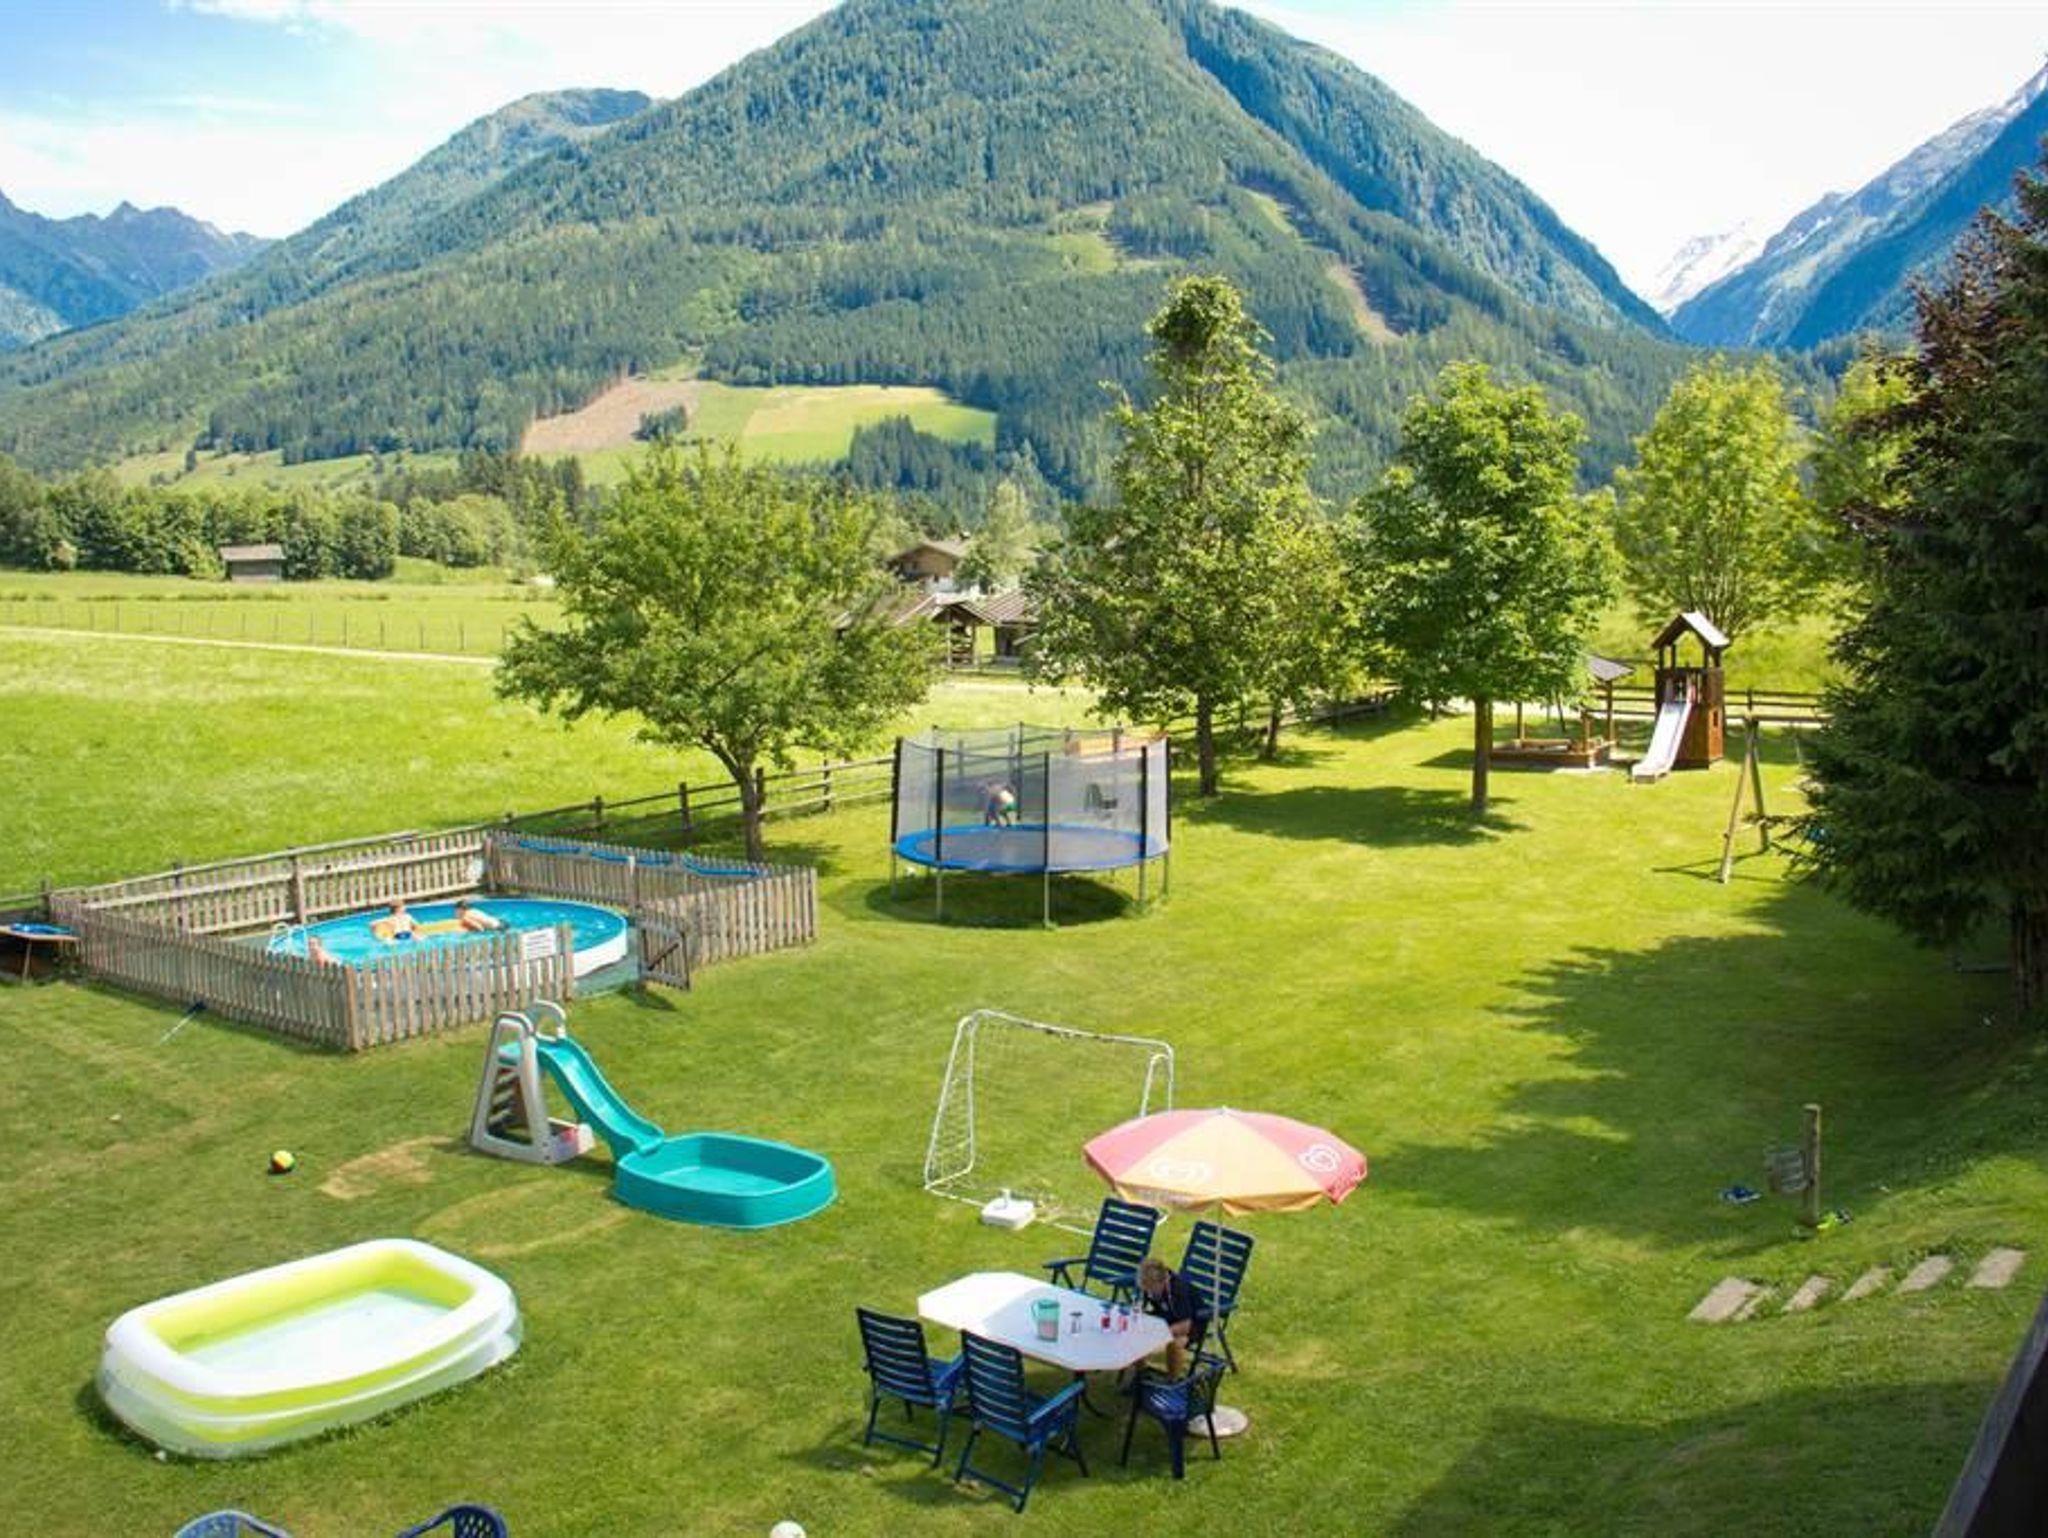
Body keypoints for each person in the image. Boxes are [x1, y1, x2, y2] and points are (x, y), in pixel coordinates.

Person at [1137, 1257, 1202, 1377]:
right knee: (1136, 1332)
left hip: (1192, 1325)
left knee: (1175, 1344)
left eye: (1150, 1288)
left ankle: (1172, 1379)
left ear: (1162, 1282)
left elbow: (1186, 1326)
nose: (1148, 1292)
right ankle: (1140, 1374)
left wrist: (1160, 1332)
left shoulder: (1179, 1290)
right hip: (1167, 1318)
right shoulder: (1152, 1287)